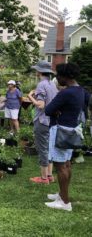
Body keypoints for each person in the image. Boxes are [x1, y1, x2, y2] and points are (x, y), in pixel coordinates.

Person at [44, 63, 90, 211]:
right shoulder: (81, 91)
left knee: (60, 166)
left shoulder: (66, 92)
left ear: (65, 76)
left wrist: (57, 110)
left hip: (61, 131)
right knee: (67, 163)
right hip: (72, 130)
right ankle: (61, 195)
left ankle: (64, 202)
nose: (57, 78)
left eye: (58, 75)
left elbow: (48, 110)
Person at [27, 61, 58, 184]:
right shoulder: (52, 85)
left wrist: (30, 97)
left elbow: (40, 105)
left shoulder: (41, 84)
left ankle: (44, 178)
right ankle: (50, 175)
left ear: (39, 72)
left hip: (42, 120)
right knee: (49, 148)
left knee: (42, 149)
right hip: (51, 121)